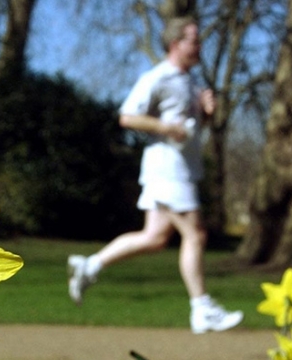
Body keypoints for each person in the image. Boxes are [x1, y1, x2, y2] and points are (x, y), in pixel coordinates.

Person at [67, 16, 243, 334]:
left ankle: (89, 265)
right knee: (196, 235)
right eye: (193, 40)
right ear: (176, 44)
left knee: (155, 238)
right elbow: (127, 117)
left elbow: (188, 129)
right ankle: (202, 309)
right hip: (167, 169)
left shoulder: (189, 81)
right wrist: (164, 127)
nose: (199, 46)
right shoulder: (158, 77)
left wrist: (204, 113)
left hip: (182, 168)